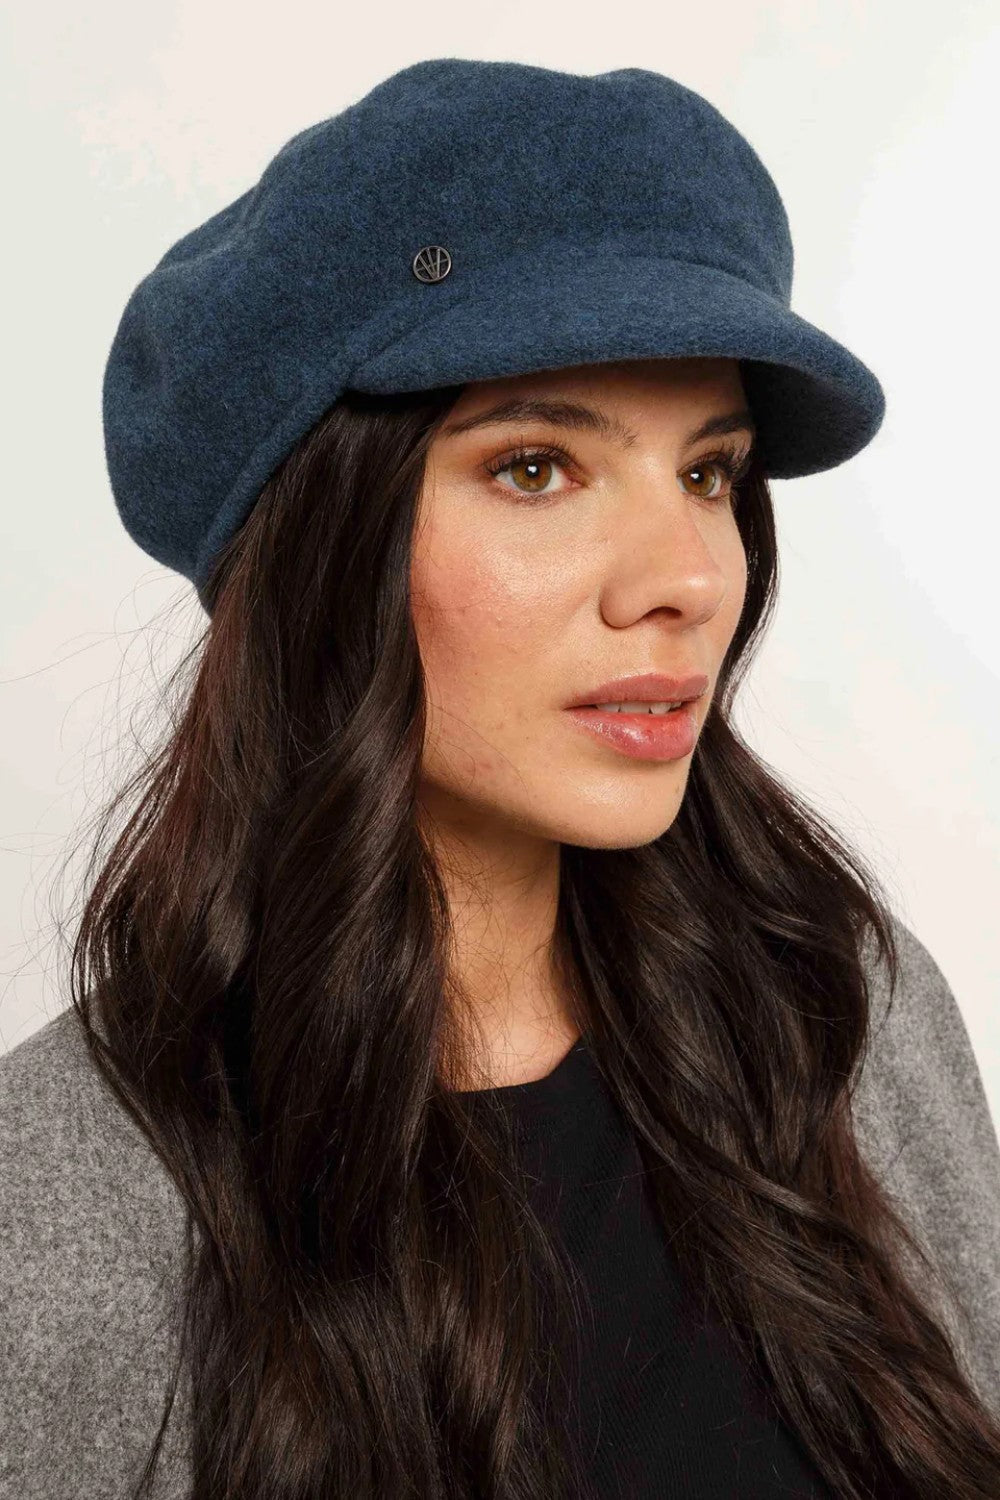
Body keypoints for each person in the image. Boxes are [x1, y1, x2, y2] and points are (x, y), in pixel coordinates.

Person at [3, 56, 1000, 1500]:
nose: (683, 581)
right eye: (537, 467)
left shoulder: (842, 1020)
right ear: (322, 547)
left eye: (708, 473)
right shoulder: (60, 1211)